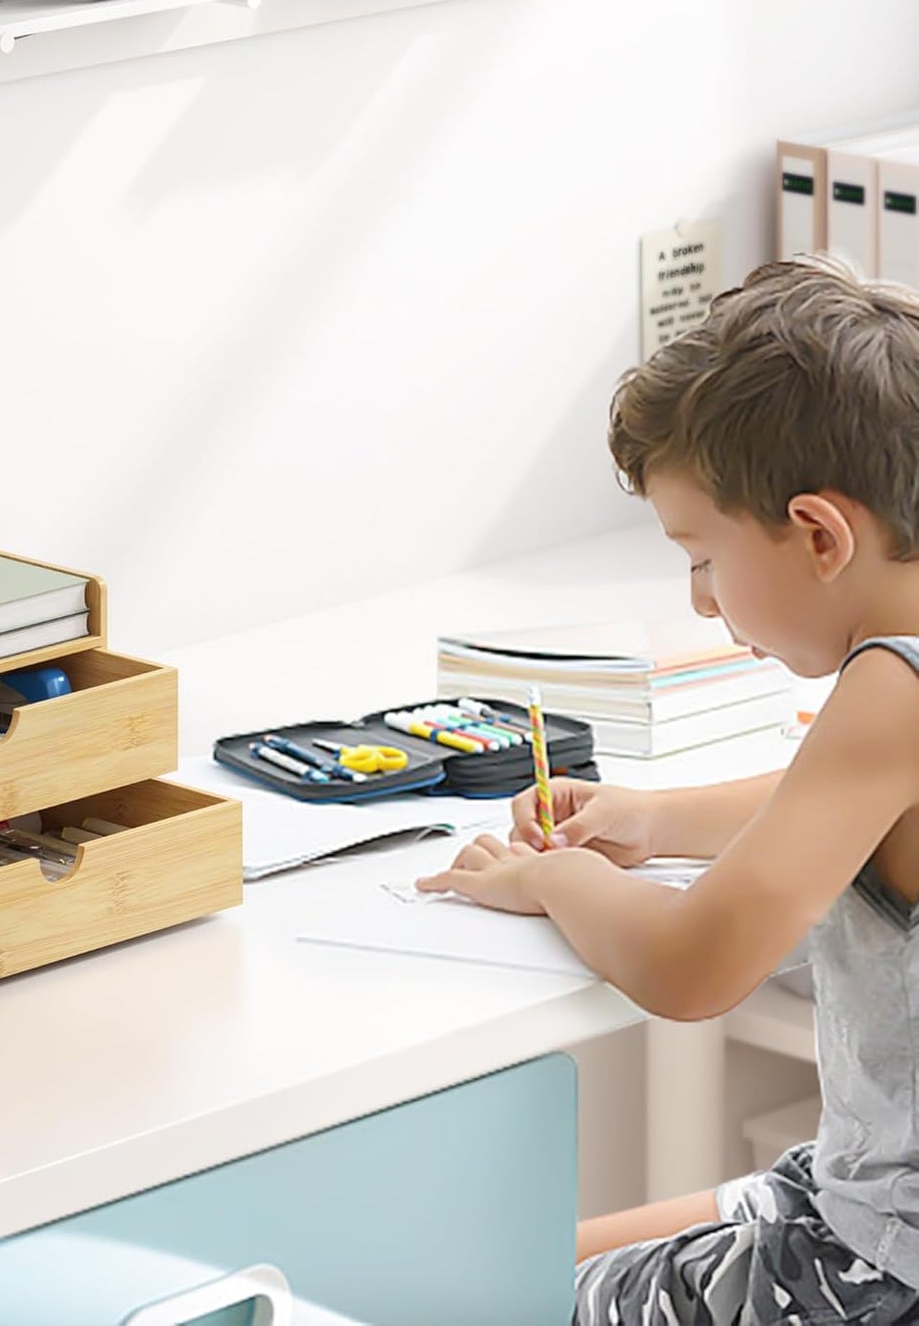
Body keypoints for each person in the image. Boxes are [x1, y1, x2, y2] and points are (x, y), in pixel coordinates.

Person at [418, 256, 919, 1324]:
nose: (698, 600)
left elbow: (693, 966)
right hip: (858, 1196)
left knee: (480, 1298)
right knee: (505, 1263)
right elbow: (847, 800)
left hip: (878, 1268)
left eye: (700, 556)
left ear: (819, 534)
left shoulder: (890, 688)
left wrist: (553, 880)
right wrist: (654, 819)